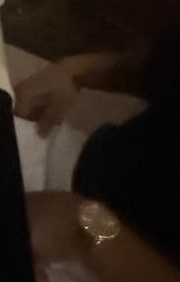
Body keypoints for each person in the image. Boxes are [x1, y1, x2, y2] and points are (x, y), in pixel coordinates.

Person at [14, 31, 180, 282]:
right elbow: (162, 63)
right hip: (79, 176)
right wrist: (74, 71)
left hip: (105, 256)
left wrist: (85, 229)